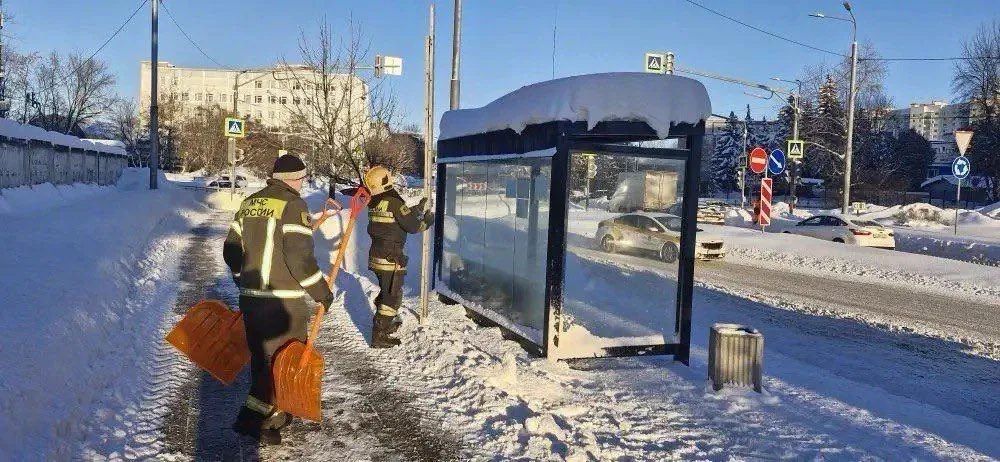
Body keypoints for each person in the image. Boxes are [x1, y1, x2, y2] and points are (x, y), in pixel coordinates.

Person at [223, 153, 335, 445]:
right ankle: (254, 420)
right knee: (280, 363)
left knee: (262, 359)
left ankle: (269, 417)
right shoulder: (294, 204)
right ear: (294, 179)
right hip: (282, 302)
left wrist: (240, 278)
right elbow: (299, 258)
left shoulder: (250, 203)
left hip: (251, 299)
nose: (303, 184)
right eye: (303, 178)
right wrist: (321, 293)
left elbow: (231, 249)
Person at [363, 166, 434, 348]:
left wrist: (415, 210)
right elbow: (411, 227)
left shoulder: (375, 203)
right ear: (386, 181)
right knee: (392, 297)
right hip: (390, 259)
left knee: (387, 292)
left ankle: (384, 322)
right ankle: (379, 334)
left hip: (376, 257)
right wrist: (427, 221)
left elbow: (398, 219)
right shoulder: (394, 202)